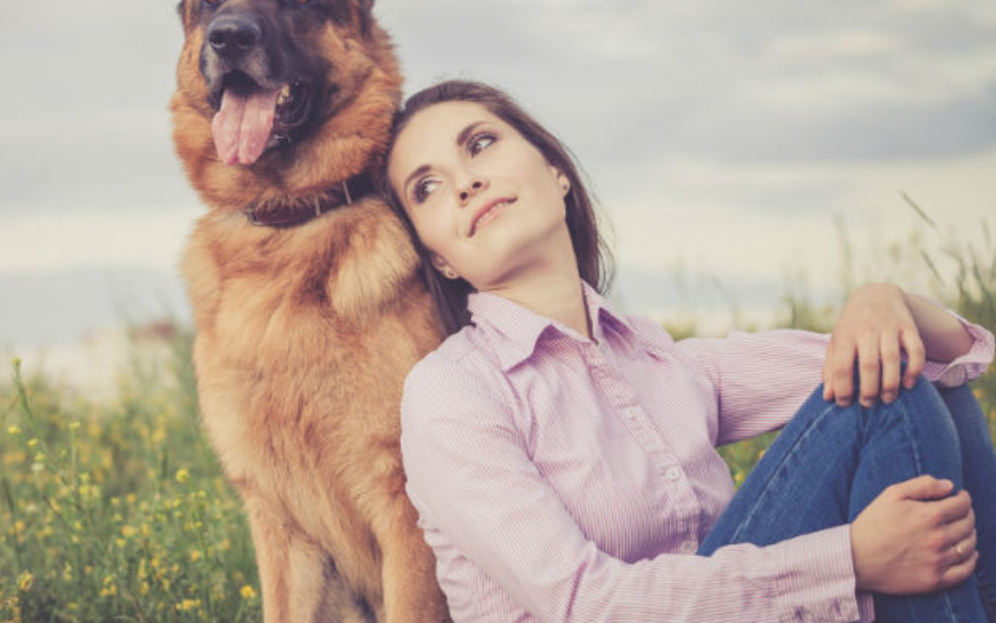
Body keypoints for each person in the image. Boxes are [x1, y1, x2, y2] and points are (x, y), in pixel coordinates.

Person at [381, 79, 996, 623]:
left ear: (555, 171)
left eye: (480, 144)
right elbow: (584, 606)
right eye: (427, 187)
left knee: (899, 377)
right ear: (438, 257)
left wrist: (886, 300)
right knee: (889, 390)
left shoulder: (659, 361)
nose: (464, 182)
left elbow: (933, 357)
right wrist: (854, 559)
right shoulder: (453, 392)